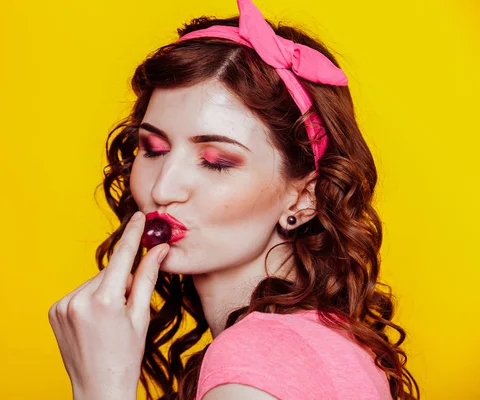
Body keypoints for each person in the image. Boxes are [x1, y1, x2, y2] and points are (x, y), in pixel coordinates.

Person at [48, 0, 420, 399]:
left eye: (216, 162)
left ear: (304, 198)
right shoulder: (328, 341)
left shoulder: (248, 374)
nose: (162, 189)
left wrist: (100, 388)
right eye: (153, 149)